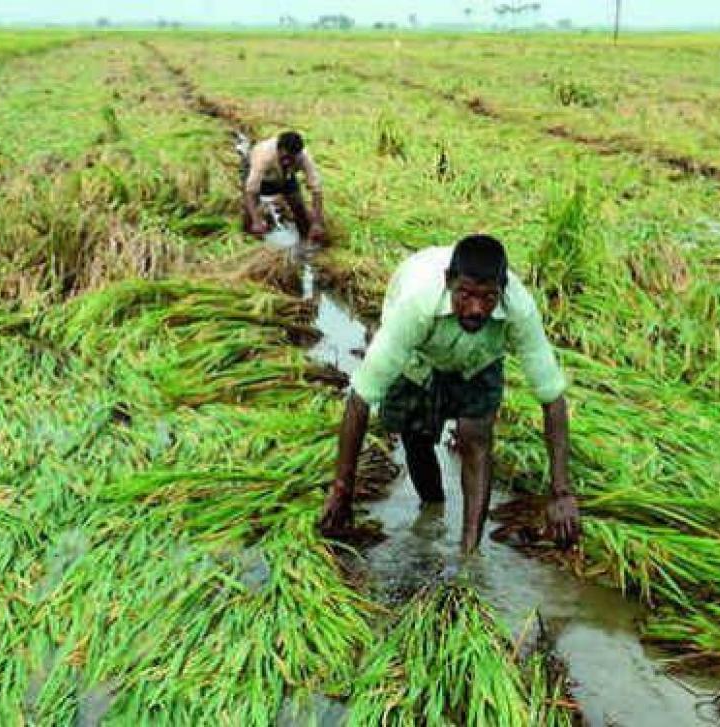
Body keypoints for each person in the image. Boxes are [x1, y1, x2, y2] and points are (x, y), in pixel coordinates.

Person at [318, 234, 580, 554]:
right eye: (466, 295)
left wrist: (562, 493)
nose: (476, 309)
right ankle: (433, 508)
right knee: (416, 435)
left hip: (479, 359)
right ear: (448, 282)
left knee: (476, 436)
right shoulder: (416, 304)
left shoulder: (519, 309)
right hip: (419, 357)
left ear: (502, 291)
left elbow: (552, 397)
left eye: (488, 298)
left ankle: (469, 554)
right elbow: (360, 398)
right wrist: (341, 491)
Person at [243, 130, 326, 242]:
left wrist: (317, 222)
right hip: (263, 177)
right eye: (284, 158)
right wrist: (256, 221)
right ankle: (254, 239)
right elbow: (250, 191)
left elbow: (317, 190)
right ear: (278, 150)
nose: (287, 162)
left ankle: (306, 239)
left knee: (298, 205)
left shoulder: (303, 157)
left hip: (286, 176)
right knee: (251, 215)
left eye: (291, 159)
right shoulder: (264, 155)